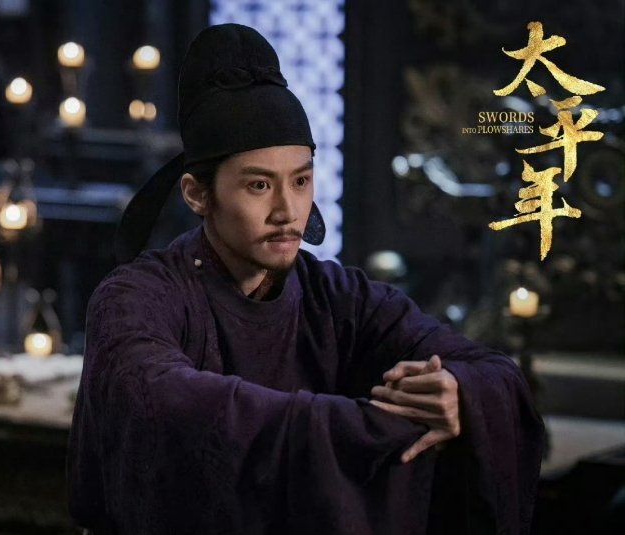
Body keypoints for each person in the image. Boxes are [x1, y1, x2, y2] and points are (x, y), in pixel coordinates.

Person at [66, 23, 544, 534]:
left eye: (301, 180)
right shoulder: (136, 298)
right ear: (197, 194)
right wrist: (369, 424)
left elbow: (491, 370)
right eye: (258, 185)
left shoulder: (339, 298)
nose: (287, 210)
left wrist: (456, 392)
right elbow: (164, 404)